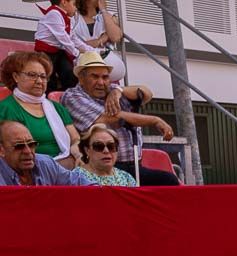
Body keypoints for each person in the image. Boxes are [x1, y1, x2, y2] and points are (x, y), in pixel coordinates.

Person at [62, 51, 179, 185]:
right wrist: (154, 120)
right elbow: (113, 118)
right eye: (94, 76)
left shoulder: (111, 89)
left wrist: (119, 90)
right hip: (103, 166)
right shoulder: (72, 96)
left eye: (105, 77)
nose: (101, 82)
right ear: (81, 79)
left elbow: (147, 93)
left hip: (134, 164)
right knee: (167, 181)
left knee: (168, 183)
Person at [0, 52, 80, 168]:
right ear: (16, 77)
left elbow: (75, 138)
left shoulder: (57, 108)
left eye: (43, 76)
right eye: (32, 75)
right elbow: (11, 153)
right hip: (30, 169)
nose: (39, 81)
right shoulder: (5, 109)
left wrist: (77, 152)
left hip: (66, 164)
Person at [0, 120, 91, 186]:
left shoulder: (46, 163)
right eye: (19, 146)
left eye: (32, 144)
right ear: (1, 150)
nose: (28, 151)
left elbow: (80, 183)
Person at [73, 0, 125, 83]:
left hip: (107, 64)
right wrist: (100, 40)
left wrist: (104, 10)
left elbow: (116, 37)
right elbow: (73, 44)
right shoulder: (74, 17)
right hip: (83, 63)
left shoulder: (109, 16)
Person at [34, 0, 81, 91]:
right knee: (49, 77)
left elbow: (73, 39)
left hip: (58, 51)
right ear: (64, 2)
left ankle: (68, 96)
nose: (76, 8)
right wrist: (77, 53)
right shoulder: (54, 14)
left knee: (69, 73)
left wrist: (91, 50)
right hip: (45, 52)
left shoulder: (64, 17)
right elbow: (63, 38)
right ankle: (49, 99)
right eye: (74, 4)